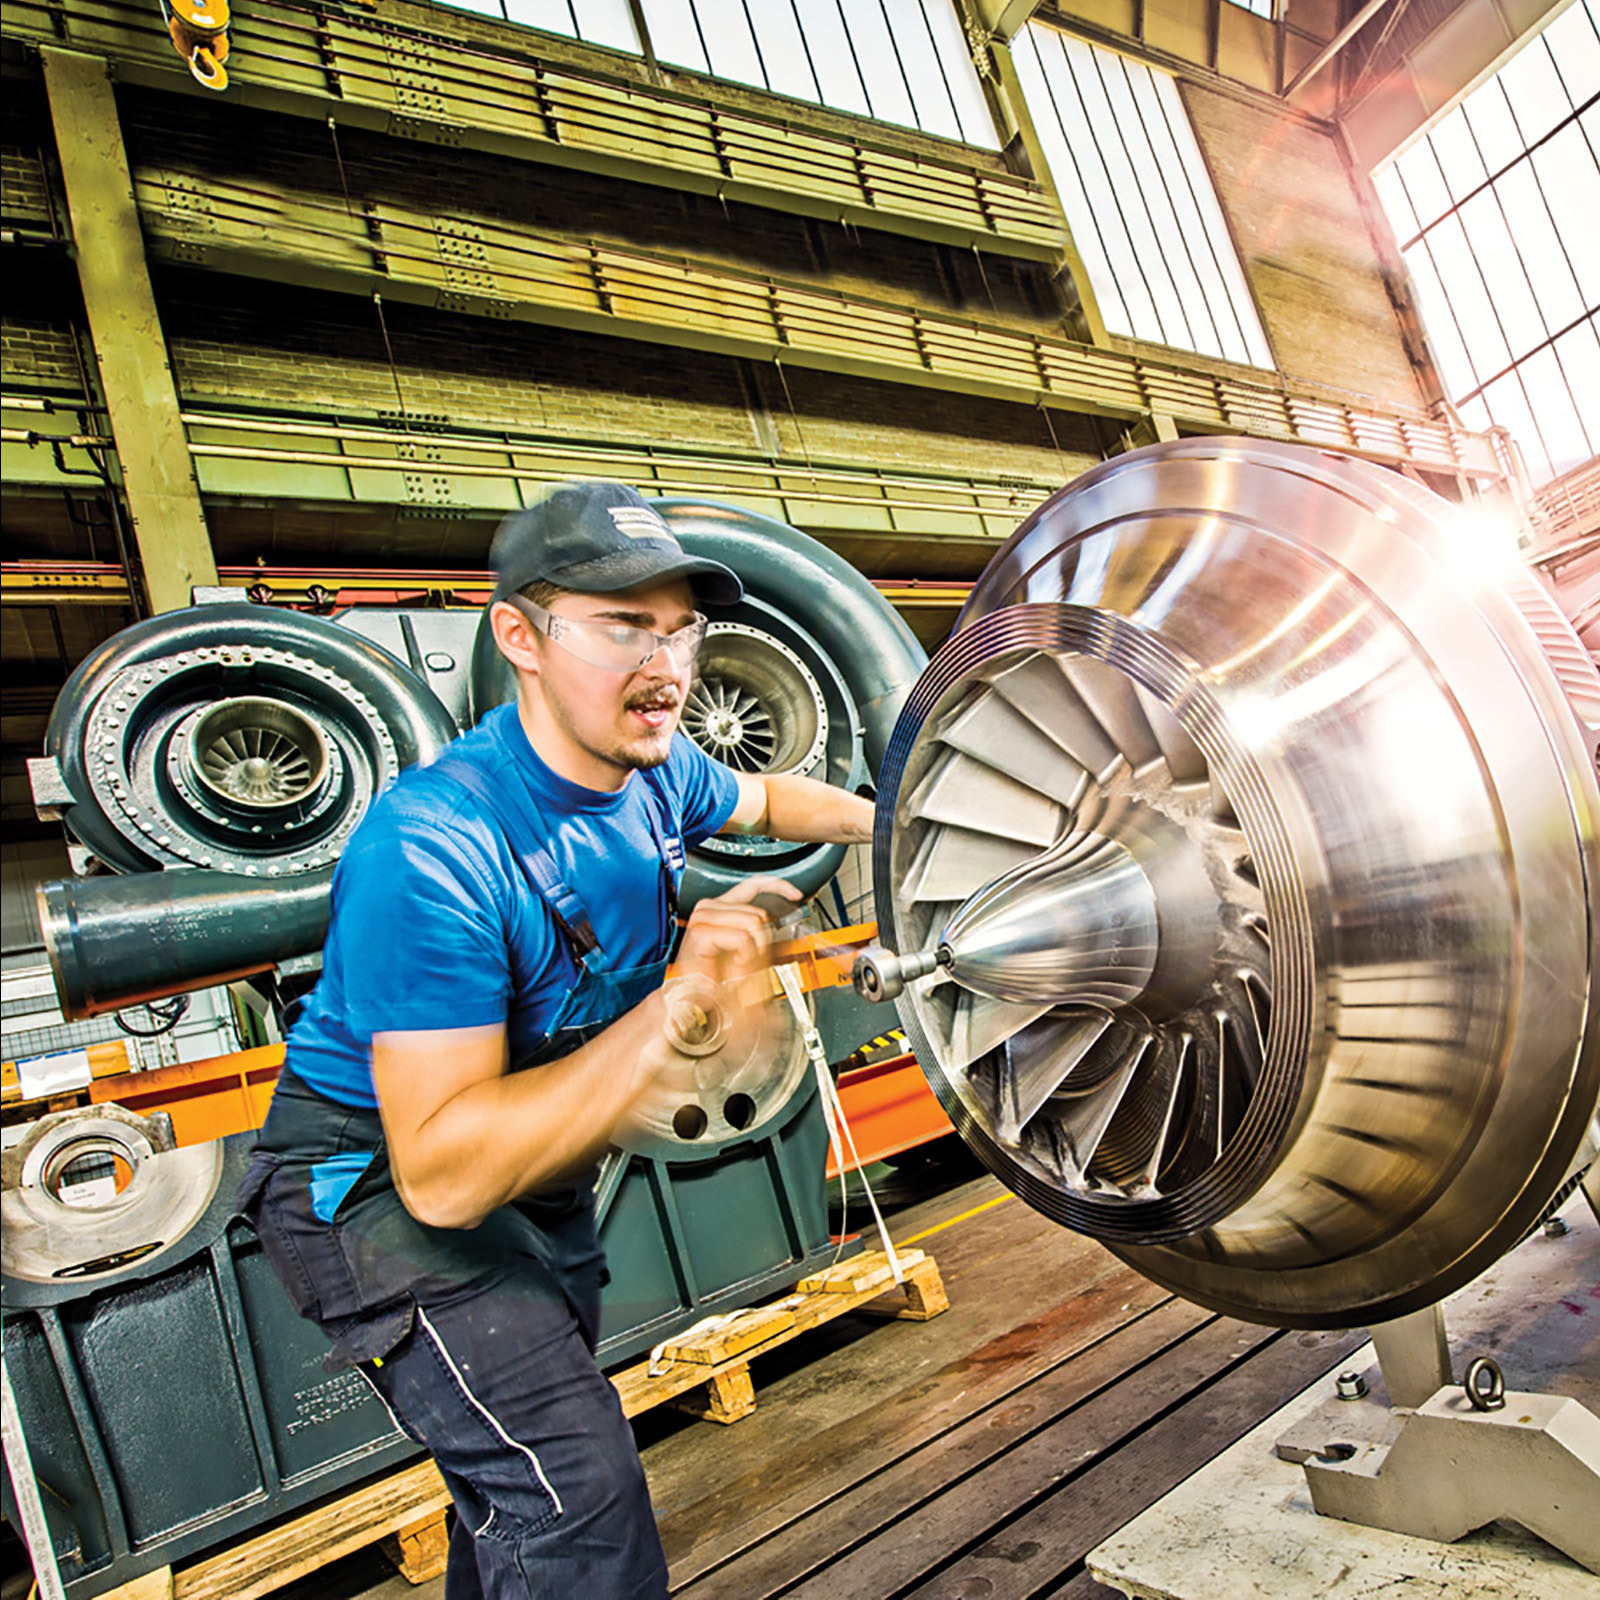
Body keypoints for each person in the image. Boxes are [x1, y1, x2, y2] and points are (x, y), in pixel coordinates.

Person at [239, 481, 874, 1600]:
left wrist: (910, 817)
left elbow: (766, 799)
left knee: (523, 1497)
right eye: (622, 625)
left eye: (680, 629)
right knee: (571, 1488)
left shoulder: (653, 766)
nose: (665, 665)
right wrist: (678, 1007)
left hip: (535, 1166)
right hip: (376, 1182)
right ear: (520, 637)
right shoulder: (433, 847)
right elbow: (441, 1173)